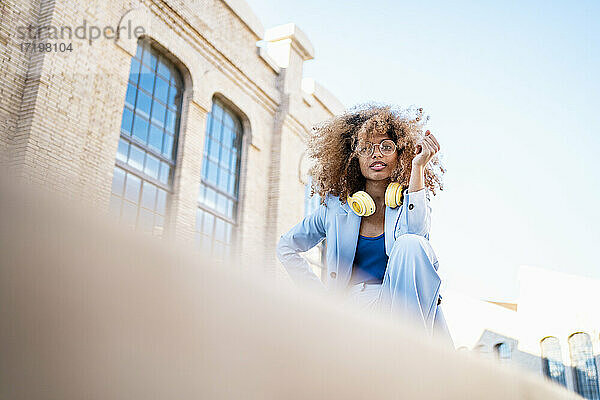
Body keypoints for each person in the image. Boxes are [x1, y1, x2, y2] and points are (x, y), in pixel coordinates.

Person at [276, 104, 453, 346]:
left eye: (386, 146)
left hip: (401, 309)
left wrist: (418, 167)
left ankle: (413, 355)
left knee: (412, 244)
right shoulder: (335, 208)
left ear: (400, 154)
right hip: (355, 309)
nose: (376, 154)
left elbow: (418, 240)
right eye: (366, 148)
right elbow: (286, 246)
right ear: (353, 157)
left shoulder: (409, 202)